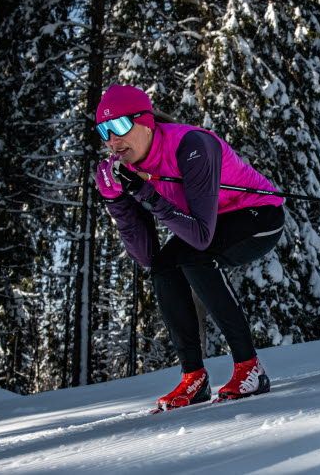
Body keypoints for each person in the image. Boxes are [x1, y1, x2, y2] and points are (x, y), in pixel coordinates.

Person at [93, 85, 285, 410]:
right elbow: (148, 257)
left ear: (146, 122)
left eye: (121, 126)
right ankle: (193, 378)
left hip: (258, 215)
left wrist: (147, 194)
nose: (112, 139)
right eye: (103, 130)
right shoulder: (130, 169)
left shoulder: (192, 145)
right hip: (210, 226)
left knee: (195, 257)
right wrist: (116, 201)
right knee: (165, 266)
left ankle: (249, 367)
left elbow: (199, 237)